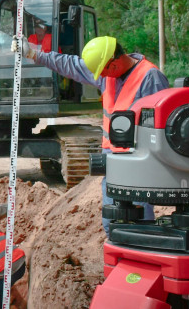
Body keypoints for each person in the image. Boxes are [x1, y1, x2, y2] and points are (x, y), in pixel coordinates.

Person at [14, 35, 169, 235]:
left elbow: (160, 125)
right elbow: (71, 65)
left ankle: (144, 257)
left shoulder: (150, 78)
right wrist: (33, 54)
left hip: (137, 162)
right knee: (111, 220)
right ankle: (120, 256)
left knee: (139, 220)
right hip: (111, 158)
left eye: (101, 72)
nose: (98, 77)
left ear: (112, 65)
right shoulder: (108, 72)